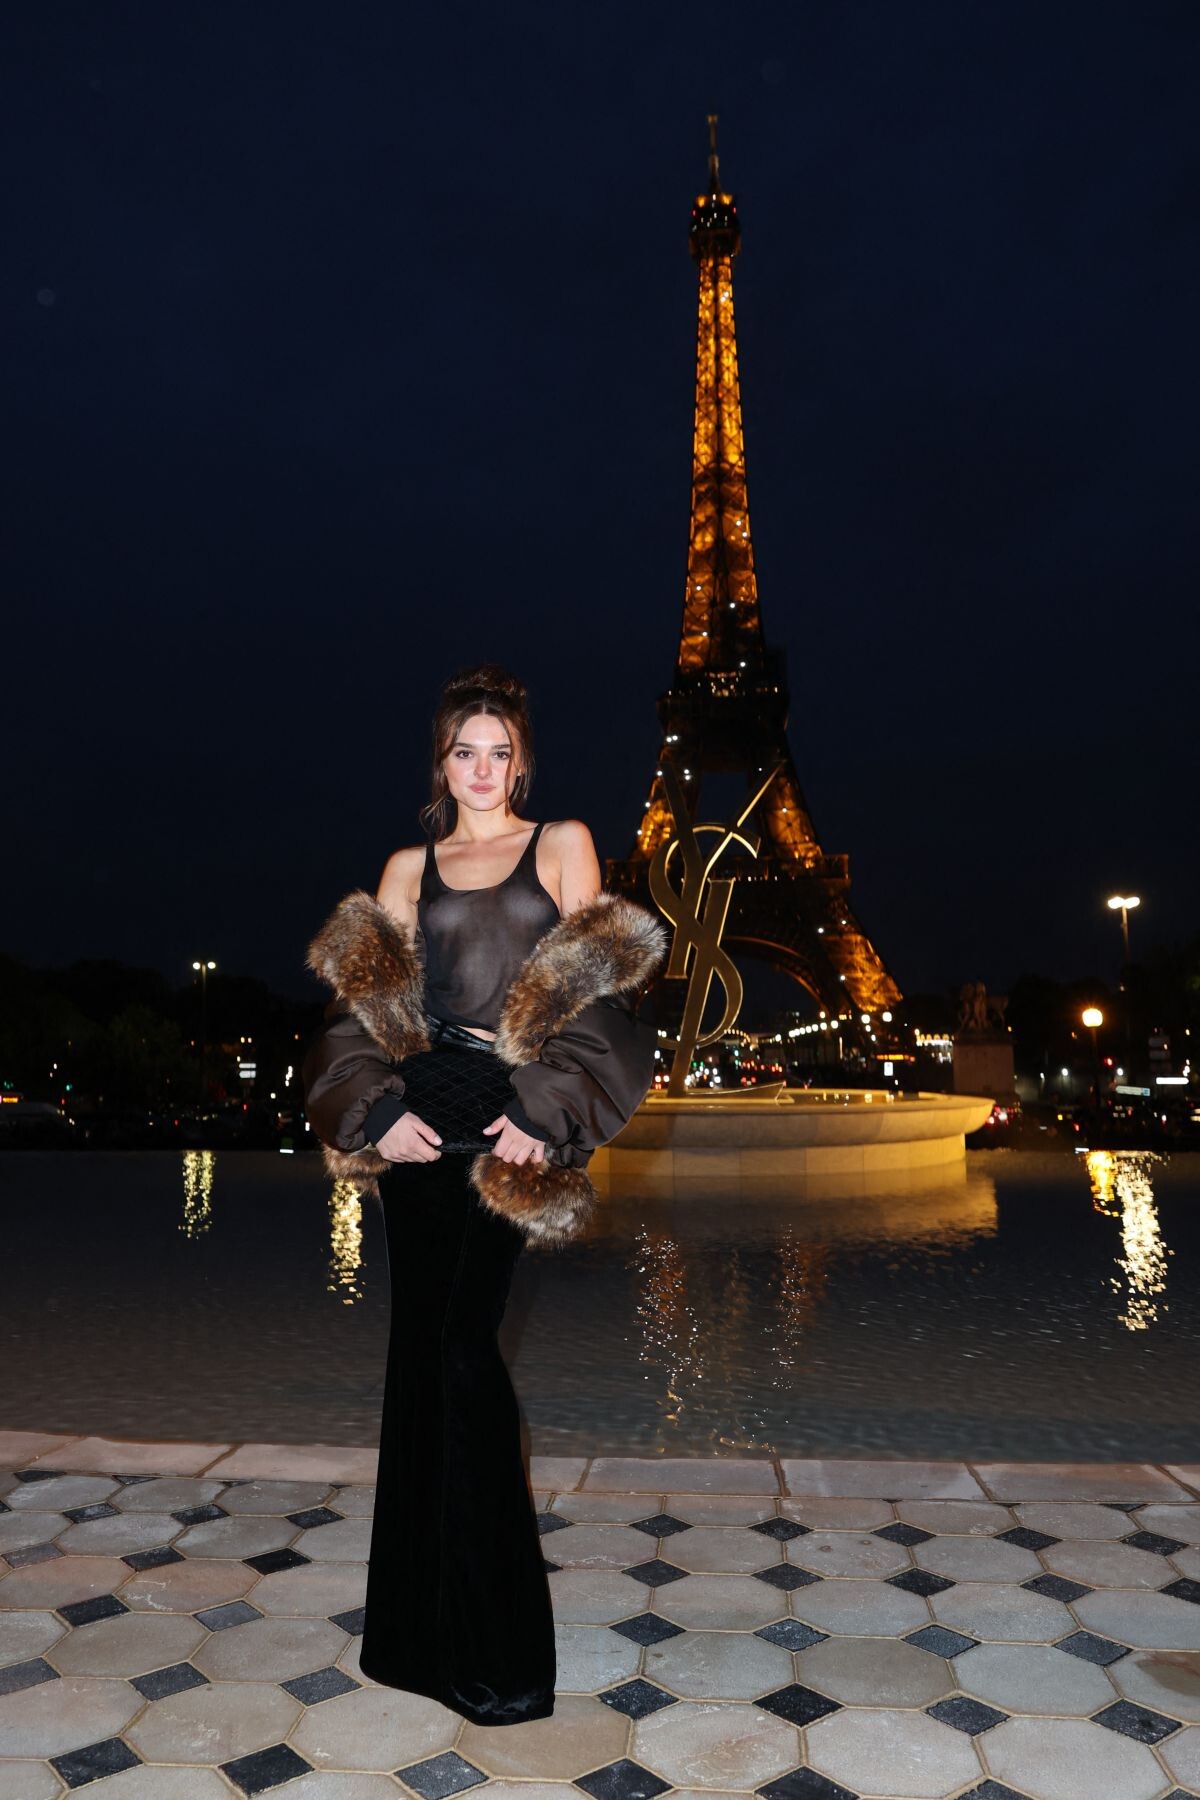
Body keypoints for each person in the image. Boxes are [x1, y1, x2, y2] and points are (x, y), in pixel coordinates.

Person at [300, 664, 666, 1727]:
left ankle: (497, 1649)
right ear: (441, 762)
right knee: (421, 1355)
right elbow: (358, 1012)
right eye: (466, 751)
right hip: (421, 1120)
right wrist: (374, 1112)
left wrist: (547, 1110)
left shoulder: (561, 843)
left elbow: (602, 995)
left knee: (465, 1352)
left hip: (512, 1115)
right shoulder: (407, 867)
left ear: (522, 762)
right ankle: (416, 1638)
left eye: (500, 752)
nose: (483, 769)